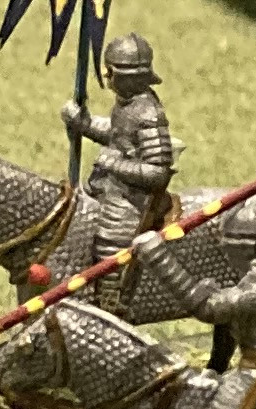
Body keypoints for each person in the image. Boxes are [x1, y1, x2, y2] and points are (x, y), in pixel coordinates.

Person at [65, 29, 176, 250]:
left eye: (110, 71)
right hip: (104, 188)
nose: (106, 76)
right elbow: (118, 135)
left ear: (127, 76)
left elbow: (157, 172)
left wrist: (114, 164)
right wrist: (83, 123)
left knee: (108, 248)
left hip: (129, 202)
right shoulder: (127, 103)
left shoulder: (149, 114)